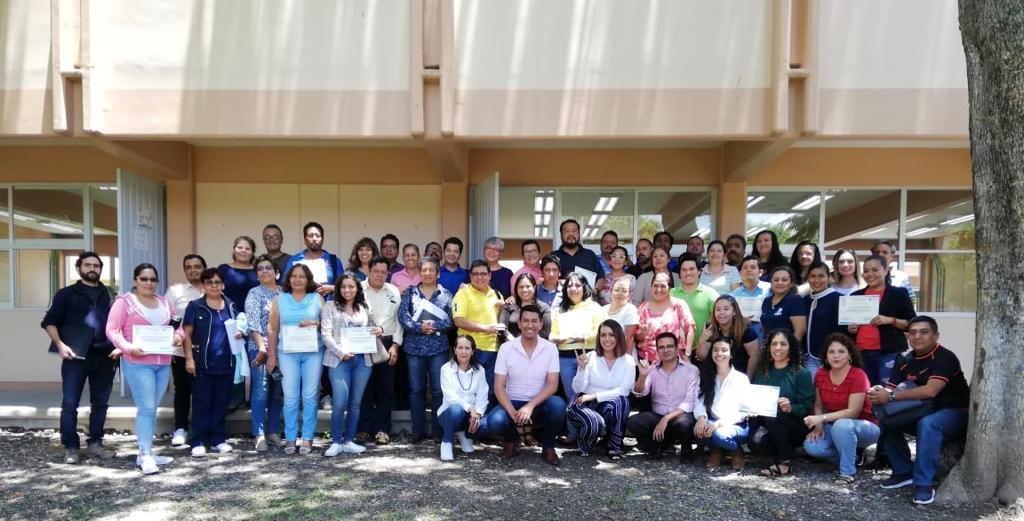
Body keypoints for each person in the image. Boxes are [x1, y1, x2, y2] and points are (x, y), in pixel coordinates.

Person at [870, 316, 970, 505]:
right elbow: (891, 389)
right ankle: (903, 471)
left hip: (955, 412)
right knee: (886, 419)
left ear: (936, 336)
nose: (917, 336)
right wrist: (878, 393)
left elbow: (930, 391)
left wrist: (890, 397)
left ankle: (923, 484)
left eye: (924, 332)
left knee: (928, 424)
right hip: (923, 409)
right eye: (913, 332)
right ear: (907, 336)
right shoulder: (904, 359)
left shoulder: (945, 357)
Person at [42, 252, 117, 465]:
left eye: (96, 265)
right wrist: (60, 345)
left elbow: (119, 323)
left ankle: (95, 443)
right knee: (70, 403)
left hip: (105, 356)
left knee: (100, 403)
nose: (92, 269)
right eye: (88, 265)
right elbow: (49, 322)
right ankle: (71, 447)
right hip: (75, 356)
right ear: (79, 268)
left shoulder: (110, 294)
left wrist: (119, 346)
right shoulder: (66, 294)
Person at [107, 263, 178, 474]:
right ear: (135, 280)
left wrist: (178, 336)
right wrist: (128, 348)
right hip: (138, 363)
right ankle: (145, 455)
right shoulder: (124, 302)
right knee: (146, 408)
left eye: (153, 279)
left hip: (162, 363)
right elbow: (112, 330)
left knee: (152, 408)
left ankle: (147, 452)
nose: (149, 283)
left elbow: (178, 326)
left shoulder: (164, 302)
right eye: (144, 278)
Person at [480, 305, 566, 465]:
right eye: (525, 321)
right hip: (512, 401)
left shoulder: (550, 349)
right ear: (519, 323)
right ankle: (512, 441)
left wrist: (530, 406)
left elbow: (552, 385)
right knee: (494, 422)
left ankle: (548, 446)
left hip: (539, 404)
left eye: (534, 321)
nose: (530, 325)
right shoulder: (506, 348)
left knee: (558, 406)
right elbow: (499, 386)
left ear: (541, 324)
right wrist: (512, 412)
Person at [803, 333, 879, 483]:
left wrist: (822, 418)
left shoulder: (858, 375)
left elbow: (853, 412)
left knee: (842, 425)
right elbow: (818, 404)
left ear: (850, 354)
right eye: (831, 352)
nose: (836, 356)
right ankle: (854, 455)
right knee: (812, 447)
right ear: (826, 356)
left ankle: (847, 473)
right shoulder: (821, 373)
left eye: (841, 351)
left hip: (864, 426)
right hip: (834, 424)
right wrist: (819, 426)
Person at [182, 268, 241, 458]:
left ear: (223, 285)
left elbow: (240, 329)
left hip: (227, 362)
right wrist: (189, 358)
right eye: (209, 282)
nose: (214, 286)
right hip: (202, 363)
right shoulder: (195, 306)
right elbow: (186, 335)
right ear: (203, 285)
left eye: (217, 282)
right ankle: (198, 440)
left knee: (221, 403)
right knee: (202, 403)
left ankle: (217, 439)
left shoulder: (232, 306)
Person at [320, 272, 381, 456]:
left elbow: (374, 326)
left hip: (362, 360)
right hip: (339, 360)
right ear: (338, 289)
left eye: (351, 286)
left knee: (355, 403)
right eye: (343, 286)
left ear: (357, 288)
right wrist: (341, 353)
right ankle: (336, 441)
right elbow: (325, 334)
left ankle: (348, 440)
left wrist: (379, 329)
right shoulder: (330, 305)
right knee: (340, 402)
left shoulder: (364, 305)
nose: (347, 290)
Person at [267, 264, 325, 455]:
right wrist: (271, 356)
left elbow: (328, 324)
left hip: (313, 353)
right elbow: (272, 329)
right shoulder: (279, 299)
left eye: (302, 276)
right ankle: (291, 438)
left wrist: (315, 322)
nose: (297, 280)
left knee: (309, 396)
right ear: (288, 279)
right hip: (287, 354)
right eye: (294, 276)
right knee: (290, 397)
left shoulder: (317, 298)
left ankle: (307, 438)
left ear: (308, 280)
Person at [400, 257, 455, 442]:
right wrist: (419, 327)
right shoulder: (410, 293)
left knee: (438, 391)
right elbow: (403, 317)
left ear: (438, 273)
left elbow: (452, 320)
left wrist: (434, 325)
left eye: (431, 270)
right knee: (416, 390)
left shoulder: (446, 295)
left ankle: (438, 431)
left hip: (438, 349)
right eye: (424, 270)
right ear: (420, 272)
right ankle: (417, 430)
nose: (427, 273)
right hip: (414, 349)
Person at [750, 329, 814, 477]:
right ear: (768, 348)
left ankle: (784, 463)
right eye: (774, 344)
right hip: (769, 424)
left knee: (774, 414)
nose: (778, 348)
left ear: (790, 347)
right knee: (756, 443)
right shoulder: (762, 372)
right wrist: (752, 409)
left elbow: (808, 407)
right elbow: (756, 401)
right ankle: (784, 449)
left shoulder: (801, 373)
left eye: (783, 344)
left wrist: (791, 408)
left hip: (796, 425)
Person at [568, 320, 635, 458]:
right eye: (603, 335)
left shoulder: (628, 360)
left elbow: (624, 390)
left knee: (622, 401)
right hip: (583, 402)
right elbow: (577, 388)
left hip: (604, 404)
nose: (607, 339)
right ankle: (586, 444)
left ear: (619, 336)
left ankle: (614, 445)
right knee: (594, 422)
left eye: (611, 334)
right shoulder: (590, 357)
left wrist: (595, 396)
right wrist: (582, 369)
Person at [628, 332, 700, 461]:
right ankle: (655, 449)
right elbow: (640, 393)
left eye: (669, 346)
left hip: (680, 416)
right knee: (634, 422)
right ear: (657, 351)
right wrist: (642, 376)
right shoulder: (652, 370)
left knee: (685, 423)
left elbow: (690, 402)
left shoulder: (691, 370)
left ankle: (686, 451)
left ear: (677, 348)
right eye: (661, 347)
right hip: (657, 416)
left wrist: (666, 419)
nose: (665, 350)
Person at [549, 272, 604, 440]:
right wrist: (557, 339)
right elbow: (552, 334)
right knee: (571, 395)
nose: (573, 288)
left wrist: (584, 337)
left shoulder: (594, 307)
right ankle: (573, 432)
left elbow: (601, 330)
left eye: (578, 285)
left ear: (584, 287)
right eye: (570, 285)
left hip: (588, 355)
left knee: (587, 395)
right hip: (565, 357)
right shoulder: (560, 309)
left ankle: (591, 431)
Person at [847, 255, 916, 386]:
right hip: (860, 353)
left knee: (886, 391)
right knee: (863, 391)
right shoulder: (856, 296)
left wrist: (890, 320)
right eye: (866, 271)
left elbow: (912, 323)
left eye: (875, 270)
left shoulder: (898, 294)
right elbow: (849, 327)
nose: (870, 274)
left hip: (889, 352)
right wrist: (851, 329)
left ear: (885, 270)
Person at [358, 256, 403, 446]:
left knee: (386, 389)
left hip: (387, 343)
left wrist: (395, 345)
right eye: (376, 271)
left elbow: (399, 320)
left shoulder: (393, 291)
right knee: (364, 388)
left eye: (383, 272)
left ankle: (382, 429)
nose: (379, 275)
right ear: (369, 270)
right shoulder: (358, 288)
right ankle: (364, 428)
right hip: (362, 342)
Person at [245, 255, 284, 452]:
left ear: (276, 272)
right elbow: (253, 323)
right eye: (260, 269)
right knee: (261, 391)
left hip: (282, 349)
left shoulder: (285, 293)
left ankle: (273, 431)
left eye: (268, 267)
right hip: (259, 348)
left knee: (277, 392)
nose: (264, 271)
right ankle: (259, 434)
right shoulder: (254, 293)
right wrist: (262, 348)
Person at [166, 254, 206, 446]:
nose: (193, 270)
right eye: (188, 267)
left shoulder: (213, 289)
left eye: (197, 266)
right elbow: (167, 320)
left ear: (204, 268)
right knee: (182, 391)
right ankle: (180, 428)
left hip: (207, 351)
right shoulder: (175, 291)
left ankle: (201, 430)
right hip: (181, 351)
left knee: (203, 393)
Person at [694, 338, 751, 470]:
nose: (719, 353)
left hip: (736, 424)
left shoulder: (741, 378)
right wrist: (701, 418)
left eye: (724, 350)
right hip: (712, 420)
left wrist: (719, 424)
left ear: (731, 355)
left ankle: (736, 451)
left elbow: (743, 412)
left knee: (720, 435)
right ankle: (716, 451)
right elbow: (698, 400)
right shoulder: (706, 376)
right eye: (715, 350)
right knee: (698, 430)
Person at [452, 260, 503, 397]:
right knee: (469, 391)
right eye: (475, 274)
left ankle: (486, 413)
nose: (480, 277)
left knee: (490, 391)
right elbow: (458, 320)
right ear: (470, 276)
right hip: (471, 350)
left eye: (483, 274)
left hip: (494, 350)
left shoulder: (497, 295)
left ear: (490, 275)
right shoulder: (463, 293)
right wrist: (487, 328)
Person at [437, 335, 489, 461]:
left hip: (472, 414)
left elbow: (483, 394)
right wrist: (470, 408)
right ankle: (446, 441)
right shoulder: (446, 368)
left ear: (473, 351)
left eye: (467, 348)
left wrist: (477, 414)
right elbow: (450, 396)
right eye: (460, 348)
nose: (463, 351)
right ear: (455, 350)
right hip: (449, 413)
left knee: (487, 424)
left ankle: (464, 434)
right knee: (456, 410)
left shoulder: (480, 370)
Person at [635, 272, 695, 363]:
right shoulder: (643, 308)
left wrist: (688, 354)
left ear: (670, 288)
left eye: (663, 286)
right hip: (649, 361)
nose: (658, 289)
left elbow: (690, 329)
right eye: (655, 286)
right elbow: (636, 337)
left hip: (676, 360)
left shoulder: (679, 305)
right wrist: (643, 333)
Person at [696, 296, 759, 376]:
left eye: (726, 309)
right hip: (715, 374)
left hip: (739, 374)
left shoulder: (746, 330)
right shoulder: (710, 328)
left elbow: (754, 356)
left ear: (734, 312)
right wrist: (702, 340)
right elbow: (702, 357)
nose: (721, 312)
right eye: (718, 309)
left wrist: (748, 379)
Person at [283, 223, 345, 300]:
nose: (314, 238)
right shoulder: (295, 260)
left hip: (328, 304)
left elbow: (344, 286)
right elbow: (285, 284)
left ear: (322, 239)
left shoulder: (333, 260)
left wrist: (331, 288)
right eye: (311, 235)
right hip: (301, 304)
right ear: (305, 239)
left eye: (318, 236)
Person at [672, 253, 720, 351]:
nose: (688, 273)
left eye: (692, 269)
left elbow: (719, 320)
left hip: (703, 349)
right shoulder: (671, 294)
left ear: (699, 271)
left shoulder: (710, 293)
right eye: (684, 270)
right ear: (679, 273)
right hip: (676, 350)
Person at [805, 262, 844, 375]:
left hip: (831, 356)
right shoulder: (804, 300)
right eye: (813, 276)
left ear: (828, 277)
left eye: (821, 276)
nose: (817, 280)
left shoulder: (839, 299)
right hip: (808, 358)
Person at [759, 266, 808, 345]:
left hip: (788, 348)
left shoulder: (795, 300)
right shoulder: (767, 301)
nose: (780, 282)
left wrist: (791, 348)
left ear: (791, 283)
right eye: (776, 280)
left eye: (784, 280)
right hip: (770, 348)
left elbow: (800, 330)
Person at [553, 219, 605, 292]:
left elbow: (601, 277)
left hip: (588, 297)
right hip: (561, 297)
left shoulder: (590, 255)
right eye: (566, 231)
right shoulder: (554, 256)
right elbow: (548, 279)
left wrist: (595, 291)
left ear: (579, 234)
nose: (571, 234)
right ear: (561, 235)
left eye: (574, 231)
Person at [498, 272, 552, 339]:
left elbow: (545, 332)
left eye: (528, 286)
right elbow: (502, 328)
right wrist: (515, 342)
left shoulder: (543, 308)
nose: (524, 290)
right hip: (511, 343)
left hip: (536, 344)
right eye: (521, 287)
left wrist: (528, 342)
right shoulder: (509, 306)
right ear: (517, 289)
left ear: (534, 287)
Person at [731, 255, 771, 342]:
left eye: (753, 267)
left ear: (760, 272)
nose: (749, 270)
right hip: (743, 337)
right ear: (740, 273)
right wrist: (740, 321)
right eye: (745, 268)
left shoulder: (771, 290)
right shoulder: (732, 296)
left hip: (767, 336)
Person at [601, 277, 639, 355]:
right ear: (611, 292)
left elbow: (629, 338)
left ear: (629, 294)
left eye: (624, 291)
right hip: (606, 355)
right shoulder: (603, 309)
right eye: (616, 290)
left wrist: (626, 359)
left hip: (624, 354)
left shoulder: (630, 309)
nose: (620, 293)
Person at [218, 236, 259, 306]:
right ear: (234, 250)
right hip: (228, 310)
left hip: (255, 311)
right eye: (240, 248)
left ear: (253, 252)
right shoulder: (223, 269)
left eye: (247, 249)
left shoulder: (259, 270)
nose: (243, 251)